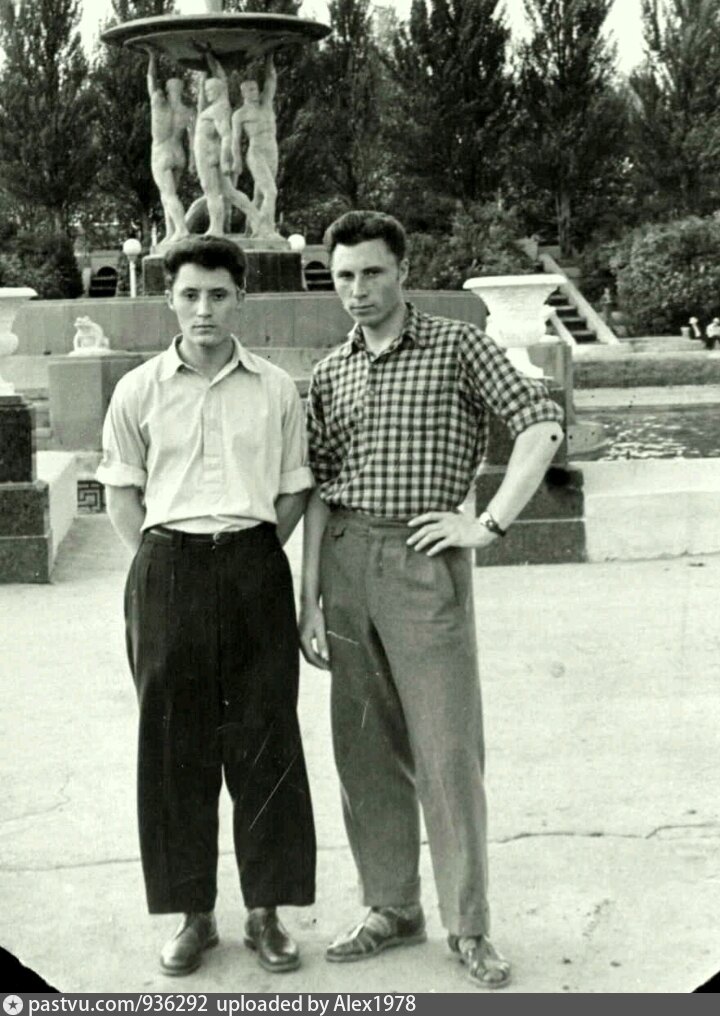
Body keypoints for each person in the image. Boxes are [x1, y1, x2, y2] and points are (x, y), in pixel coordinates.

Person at [300, 210, 565, 990]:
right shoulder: (331, 370)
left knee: (447, 751)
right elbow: (317, 490)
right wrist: (308, 598)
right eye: (344, 276)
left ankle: (468, 925)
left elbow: (541, 425)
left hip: (424, 559)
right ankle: (391, 907)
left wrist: (486, 523)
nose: (357, 290)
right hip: (346, 560)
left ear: (402, 270)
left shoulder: (458, 345)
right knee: (363, 750)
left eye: (372, 273)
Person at [97, 236, 316, 977]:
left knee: (266, 740)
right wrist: (168, 562)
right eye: (190, 294)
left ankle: (267, 913)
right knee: (173, 749)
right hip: (167, 569)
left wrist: (247, 553)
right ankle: (193, 915)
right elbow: (122, 493)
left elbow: (292, 488)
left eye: (218, 295)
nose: (204, 309)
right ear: (169, 299)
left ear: (240, 299)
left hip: (254, 566)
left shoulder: (276, 388)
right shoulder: (139, 389)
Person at [189, 50, 259, 238]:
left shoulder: (218, 109)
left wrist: (224, 161)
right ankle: (257, 220)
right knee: (229, 192)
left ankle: (216, 228)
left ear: (219, 91)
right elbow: (221, 80)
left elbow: (226, 135)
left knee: (211, 192)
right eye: (206, 91)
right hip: (209, 154)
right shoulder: (219, 105)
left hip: (209, 155)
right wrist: (209, 60)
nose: (207, 94)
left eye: (210, 91)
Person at [145, 48, 194, 243]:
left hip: (162, 153)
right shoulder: (187, 111)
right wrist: (193, 161)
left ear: (167, 90)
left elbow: (150, 79)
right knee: (169, 194)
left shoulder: (159, 104)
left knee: (168, 195)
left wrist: (152, 57)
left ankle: (181, 229)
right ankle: (170, 232)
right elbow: (192, 139)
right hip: (179, 153)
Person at [231, 52, 281, 240]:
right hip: (256, 152)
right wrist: (236, 161)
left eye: (256, 89)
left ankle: (249, 232)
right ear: (243, 93)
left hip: (272, 151)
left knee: (260, 196)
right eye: (250, 90)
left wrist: (269, 55)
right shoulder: (240, 114)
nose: (255, 92)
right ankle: (267, 230)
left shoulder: (266, 104)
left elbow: (271, 78)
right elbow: (235, 140)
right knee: (271, 192)